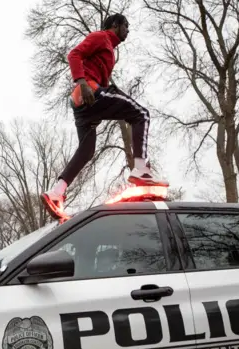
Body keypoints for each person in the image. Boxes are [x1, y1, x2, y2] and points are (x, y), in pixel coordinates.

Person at [40, 13, 168, 219]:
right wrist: (81, 82)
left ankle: (56, 193)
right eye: (126, 26)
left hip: (82, 103)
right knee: (141, 114)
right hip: (88, 91)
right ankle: (141, 169)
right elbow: (74, 55)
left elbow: (103, 78)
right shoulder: (101, 37)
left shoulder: (109, 48)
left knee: (87, 150)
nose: (128, 30)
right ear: (115, 25)